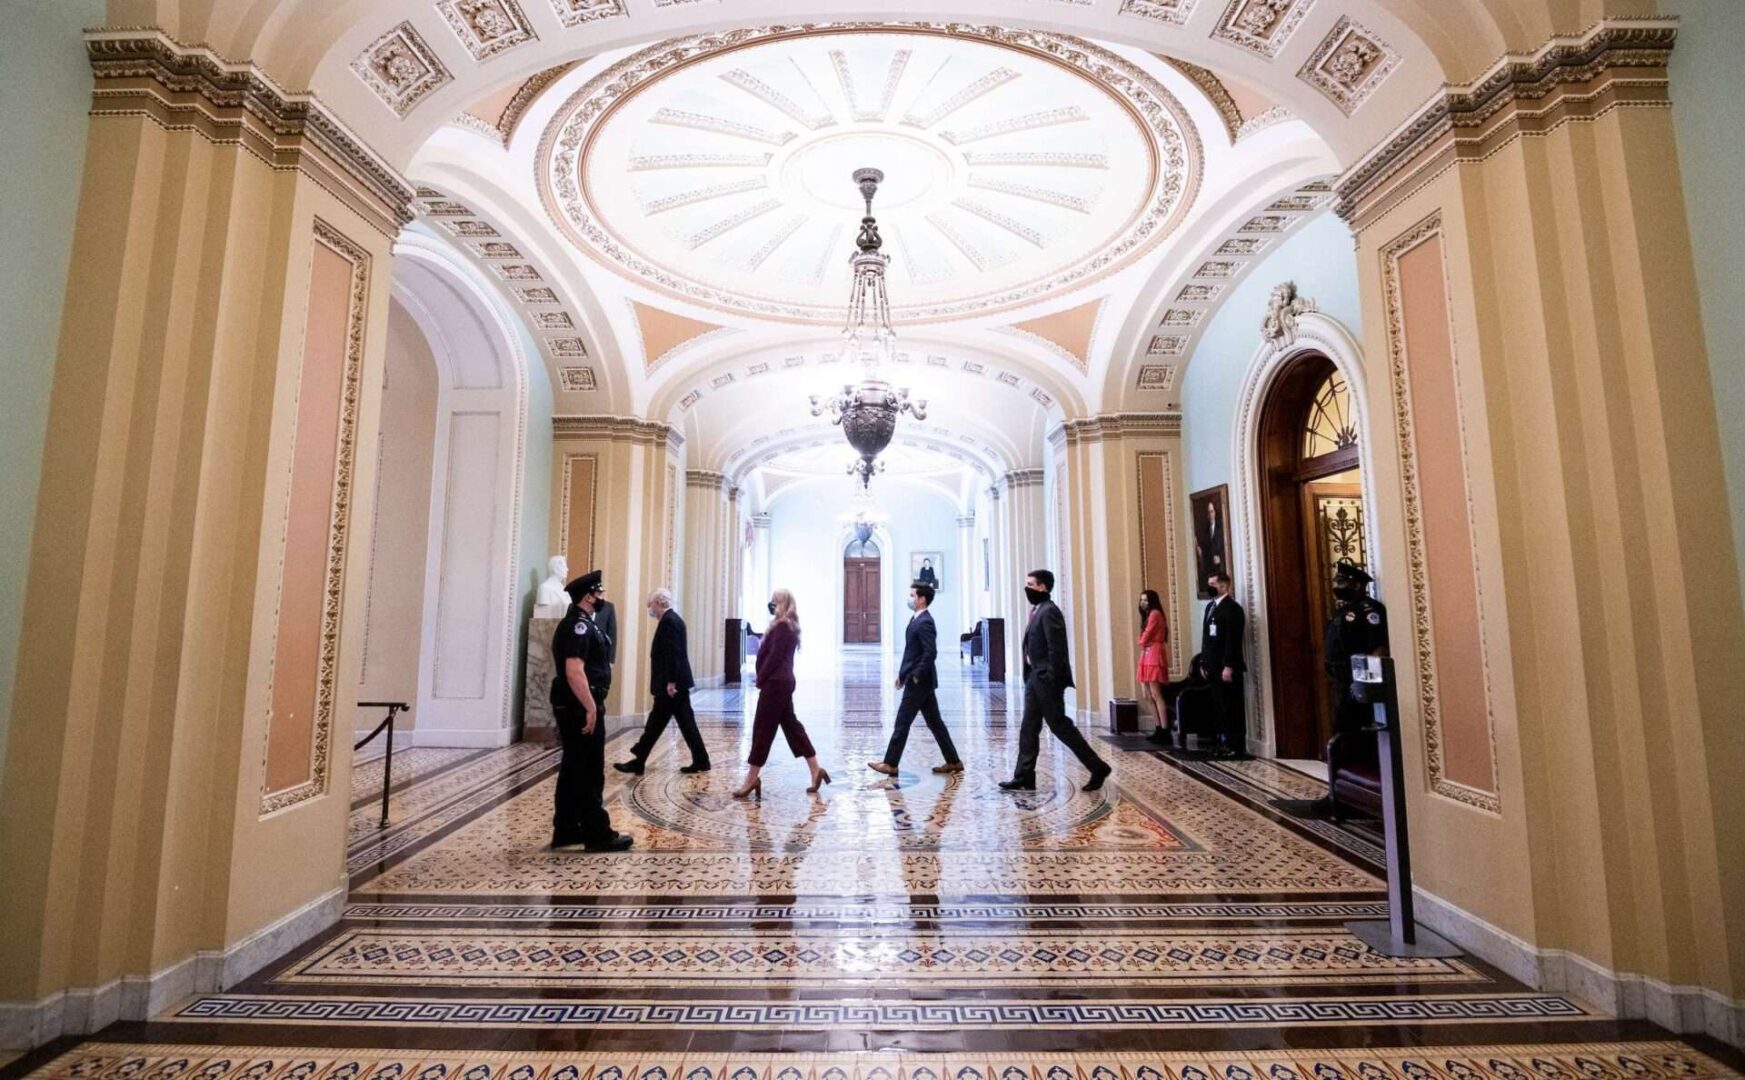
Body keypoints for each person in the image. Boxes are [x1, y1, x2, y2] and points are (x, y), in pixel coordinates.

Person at [1000, 569, 1112, 793]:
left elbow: (1057, 648)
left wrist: (1050, 677)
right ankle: (1024, 776)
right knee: (1029, 727)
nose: (1027, 588)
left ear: (1043, 587)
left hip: (1046, 680)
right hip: (1034, 676)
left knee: (1060, 726)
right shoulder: (1037, 610)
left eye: (1031, 584)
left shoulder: (1050, 611)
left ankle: (1097, 767)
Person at [548, 570, 633, 852]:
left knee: (574, 767)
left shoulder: (583, 622)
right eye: (599, 593)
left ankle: (568, 828)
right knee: (589, 769)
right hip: (579, 704)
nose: (602, 597)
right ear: (588, 596)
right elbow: (574, 671)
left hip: (578, 702)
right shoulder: (578, 625)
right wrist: (590, 707)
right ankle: (598, 834)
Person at [733, 589, 830, 799]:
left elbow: (775, 657)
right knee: (792, 727)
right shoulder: (786, 625)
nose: (771, 605)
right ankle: (815, 769)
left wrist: (761, 678)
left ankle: (752, 778)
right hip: (781, 682)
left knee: (762, 729)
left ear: (783, 604)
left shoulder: (783, 627)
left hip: (776, 683)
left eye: (775, 602)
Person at [1314, 560, 1389, 810]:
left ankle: (1350, 795)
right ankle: (1338, 792)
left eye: (1343, 584)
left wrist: (1366, 687)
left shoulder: (1369, 611)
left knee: (1350, 732)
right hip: (1341, 679)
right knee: (1342, 730)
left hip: (1358, 683)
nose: (1338, 588)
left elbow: (1377, 650)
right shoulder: (1343, 611)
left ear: (1358, 585)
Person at [869, 583, 964, 778]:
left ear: (921, 599)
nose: (909, 598)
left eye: (912, 595)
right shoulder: (917, 619)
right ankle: (954, 761)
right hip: (921, 681)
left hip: (919, 682)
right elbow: (913, 652)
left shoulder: (925, 622)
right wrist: (902, 675)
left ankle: (890, 763)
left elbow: (930, 653)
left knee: (902, 722)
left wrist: (915, 675)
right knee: (935, 723)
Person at [1147, 572, 1246, 756]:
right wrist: (1203, 663)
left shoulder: (1232, 609)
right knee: (1218, 705)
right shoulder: (1211, 607)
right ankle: (1221, 741)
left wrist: (1229, 666)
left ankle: (1234, 745)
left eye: (1213, 584)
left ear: (1224, 586)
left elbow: (1232, 641)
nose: (1210, 587)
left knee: (1229, 705)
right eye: (1208, 583)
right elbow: (1207, 639)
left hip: (1225, 668)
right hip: (1212, 667)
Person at [614, 588, 710, 776]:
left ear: (660, 603)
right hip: (673, 684)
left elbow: (674, 654)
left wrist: (671, 682)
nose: (650, 609)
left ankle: (640, 758)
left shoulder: (670, 622)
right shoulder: (672, 620)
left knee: (666, 723)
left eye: (651, 605)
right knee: (666, 723)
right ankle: (699, 760)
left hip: (671, 686)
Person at [1135, 589, 1170, 728]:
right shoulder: (1147, 616)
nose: (1143, 603)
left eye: (1146, 600)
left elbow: (1144, 638)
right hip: (1146, 653)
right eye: (1141, 600)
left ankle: (1164, 728)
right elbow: (1142, 638)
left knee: (1156, 694)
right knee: (1146, 694)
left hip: (1154, 653)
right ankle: (1157, 726)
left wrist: (1144, 641)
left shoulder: (1155, 614)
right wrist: (1143, 641)